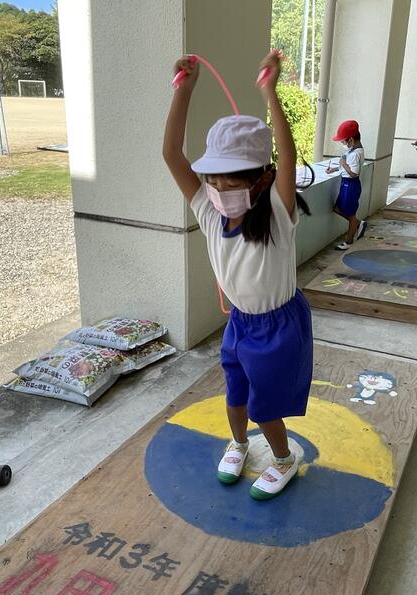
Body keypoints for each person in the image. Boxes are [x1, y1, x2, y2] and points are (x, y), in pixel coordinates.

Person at [162, 50, 313, 501]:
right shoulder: (210, 214)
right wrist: (184, 90)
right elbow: (171, 154)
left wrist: (270, 93)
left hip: (278, 326)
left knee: (266, 406)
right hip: (240, 323)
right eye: (214, 180)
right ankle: (240, 443)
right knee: (235, 396)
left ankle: (283, 459)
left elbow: (287, 156)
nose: (219, 190)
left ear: (262, 180)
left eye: (232, 182)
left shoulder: (278, 216)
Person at [326, 120, 366, 250]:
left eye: (343, 141)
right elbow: (346, 165)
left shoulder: (355, 154)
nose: (343, 144)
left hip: (351, 185)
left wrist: (343, 164)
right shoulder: (354, 150)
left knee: (350, 214)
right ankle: (358, 224)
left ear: (351, 140)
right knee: (338, 209)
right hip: (346, 184)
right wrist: (334, 169)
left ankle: (349, 241)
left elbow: (354, 173)